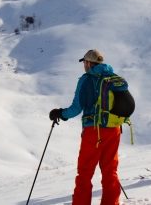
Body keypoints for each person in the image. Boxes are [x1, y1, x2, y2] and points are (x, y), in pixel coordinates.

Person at [49, 49, 123, 205]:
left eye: (84, 62)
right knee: (110, 171)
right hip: (114, 129)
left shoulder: (86, 79)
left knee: (84, 173)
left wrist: (60, 113)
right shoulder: (113, 78)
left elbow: (76, 108)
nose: (84, 65)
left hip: (94, 132)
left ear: (89, 63)